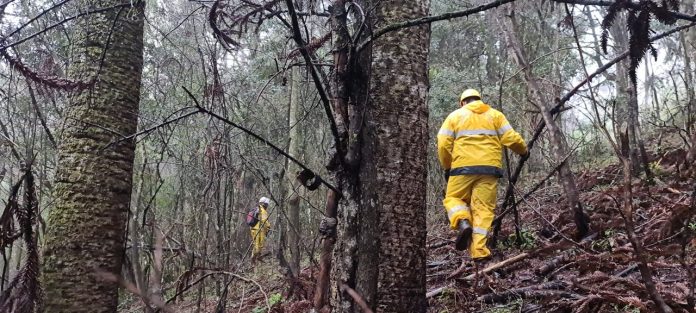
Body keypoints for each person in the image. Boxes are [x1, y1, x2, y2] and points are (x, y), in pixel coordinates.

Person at [437, 89, 528, 261]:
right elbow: (511, 138)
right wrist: (523, 151)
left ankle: (463, 220)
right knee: (483, 209)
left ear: (462, 102)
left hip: (461, 169)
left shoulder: (454, 116)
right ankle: (479, 251)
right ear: (479, 100)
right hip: (489, 169)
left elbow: (443, 144)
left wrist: (447, 166)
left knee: (454, 199)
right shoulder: (495, 115)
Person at [250, 197, 271, 261]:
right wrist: (268, 227)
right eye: (267, 204)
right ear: (265, 204)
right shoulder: (263, 211)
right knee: (259, 245)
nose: (267, 206)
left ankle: (254, 257)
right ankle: (254, 259)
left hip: (253, 229)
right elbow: (265, 221)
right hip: (259, 230)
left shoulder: (256, 209)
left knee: (255, 244)